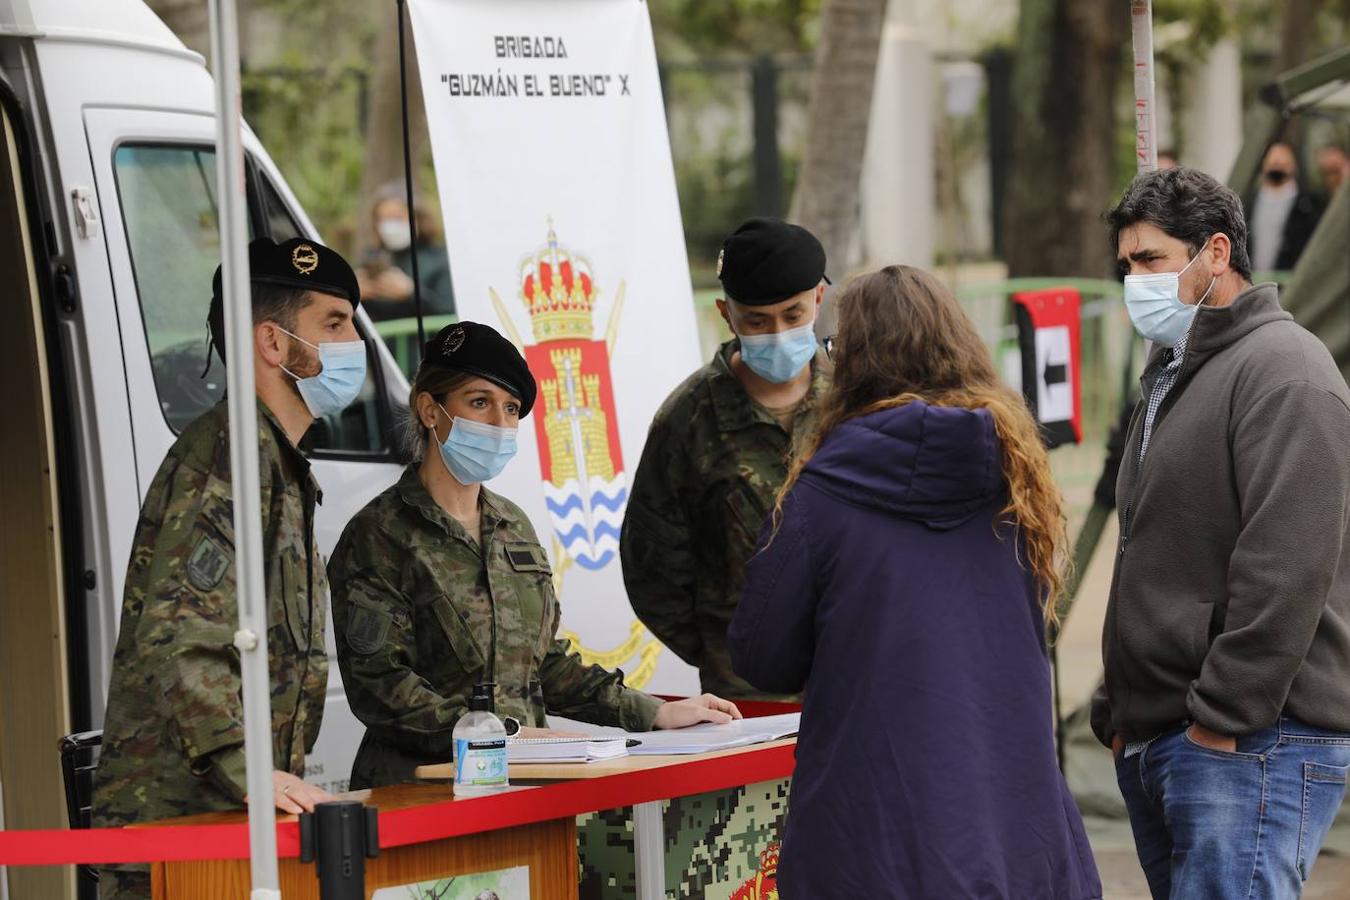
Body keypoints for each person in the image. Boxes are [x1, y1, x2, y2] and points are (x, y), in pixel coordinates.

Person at [727, 265, 1100, 898]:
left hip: (867, 834)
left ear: (853, 365)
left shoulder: (822, 494)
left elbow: (763, 655)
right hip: (1015, 828)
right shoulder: (1018, 479)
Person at [328, 322, 741, 788]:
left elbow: (542, 664)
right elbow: (380, 685)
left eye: (511, 410)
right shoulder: (379, 533)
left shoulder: (512, 527)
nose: (500, 425)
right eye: (479, 403)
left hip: (522, 784)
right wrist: (498, 736)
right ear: (429, 409)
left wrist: (655, 712)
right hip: (423, 789)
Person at [1094, 166, 1350, 898]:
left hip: (1251, 738)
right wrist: (1121, 707)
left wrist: (1225, 719)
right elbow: (1154, 546)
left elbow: (1289, 564)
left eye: (1150, 260)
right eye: (1125, 265)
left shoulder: (1285, 371)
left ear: (1215, 252)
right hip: (1171, 731)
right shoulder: (1175, 371)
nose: (1134, 281)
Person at [92, 238, 368, 899]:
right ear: (273, 344)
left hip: (225, 825)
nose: (353, 341)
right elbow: (179, 634)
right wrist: (247, 768)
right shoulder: (229, 460)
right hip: (181, 829)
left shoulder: (271, 459)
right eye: (334, 323)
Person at [621, 218, 831, 700]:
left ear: (818, 299)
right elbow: (653, 570)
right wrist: (726, 648)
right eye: (757, 321)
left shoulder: (857, 399)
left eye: (793, 314)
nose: (777, 333)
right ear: (726, 314)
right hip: (750, 691)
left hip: (859, 672)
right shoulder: (688, 419)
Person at [356, 183, 455, 321]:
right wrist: (353, 294)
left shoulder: (440, 259)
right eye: (383, 219)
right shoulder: (370, 257)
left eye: (397, 218)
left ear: (419, 219)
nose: (390, 226)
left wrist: (411, 294)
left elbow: (449, 312)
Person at [1246, 141, 1325, 272]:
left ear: (1293, 166)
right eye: (1274, 163)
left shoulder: (1309, 207)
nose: (1278, 168)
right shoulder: (1248, 203)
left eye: (1283, 164)